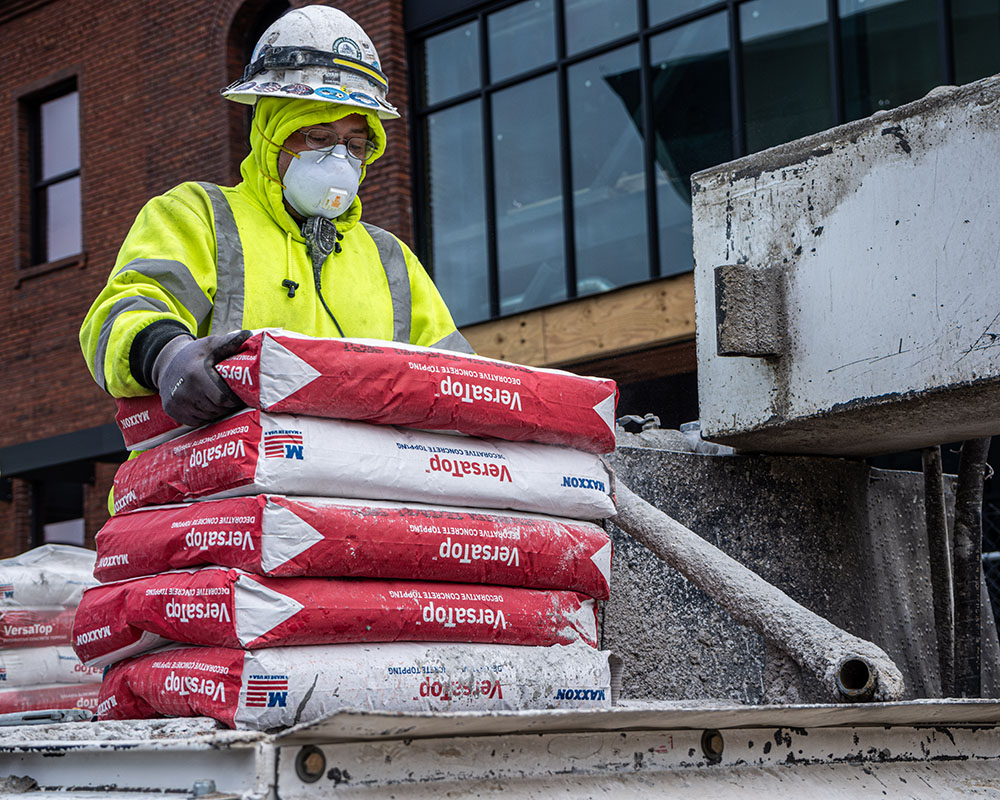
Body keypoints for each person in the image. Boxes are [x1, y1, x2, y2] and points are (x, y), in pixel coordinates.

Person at [80, 5, 472, 427]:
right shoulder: (198, 215)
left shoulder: (390, 259)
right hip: (216, 466)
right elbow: (120, 316)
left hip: (355, 471)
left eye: (355, 145)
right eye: (318, 136)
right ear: (271, 134)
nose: (340, 159)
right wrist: (165, 355)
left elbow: (460, 380)